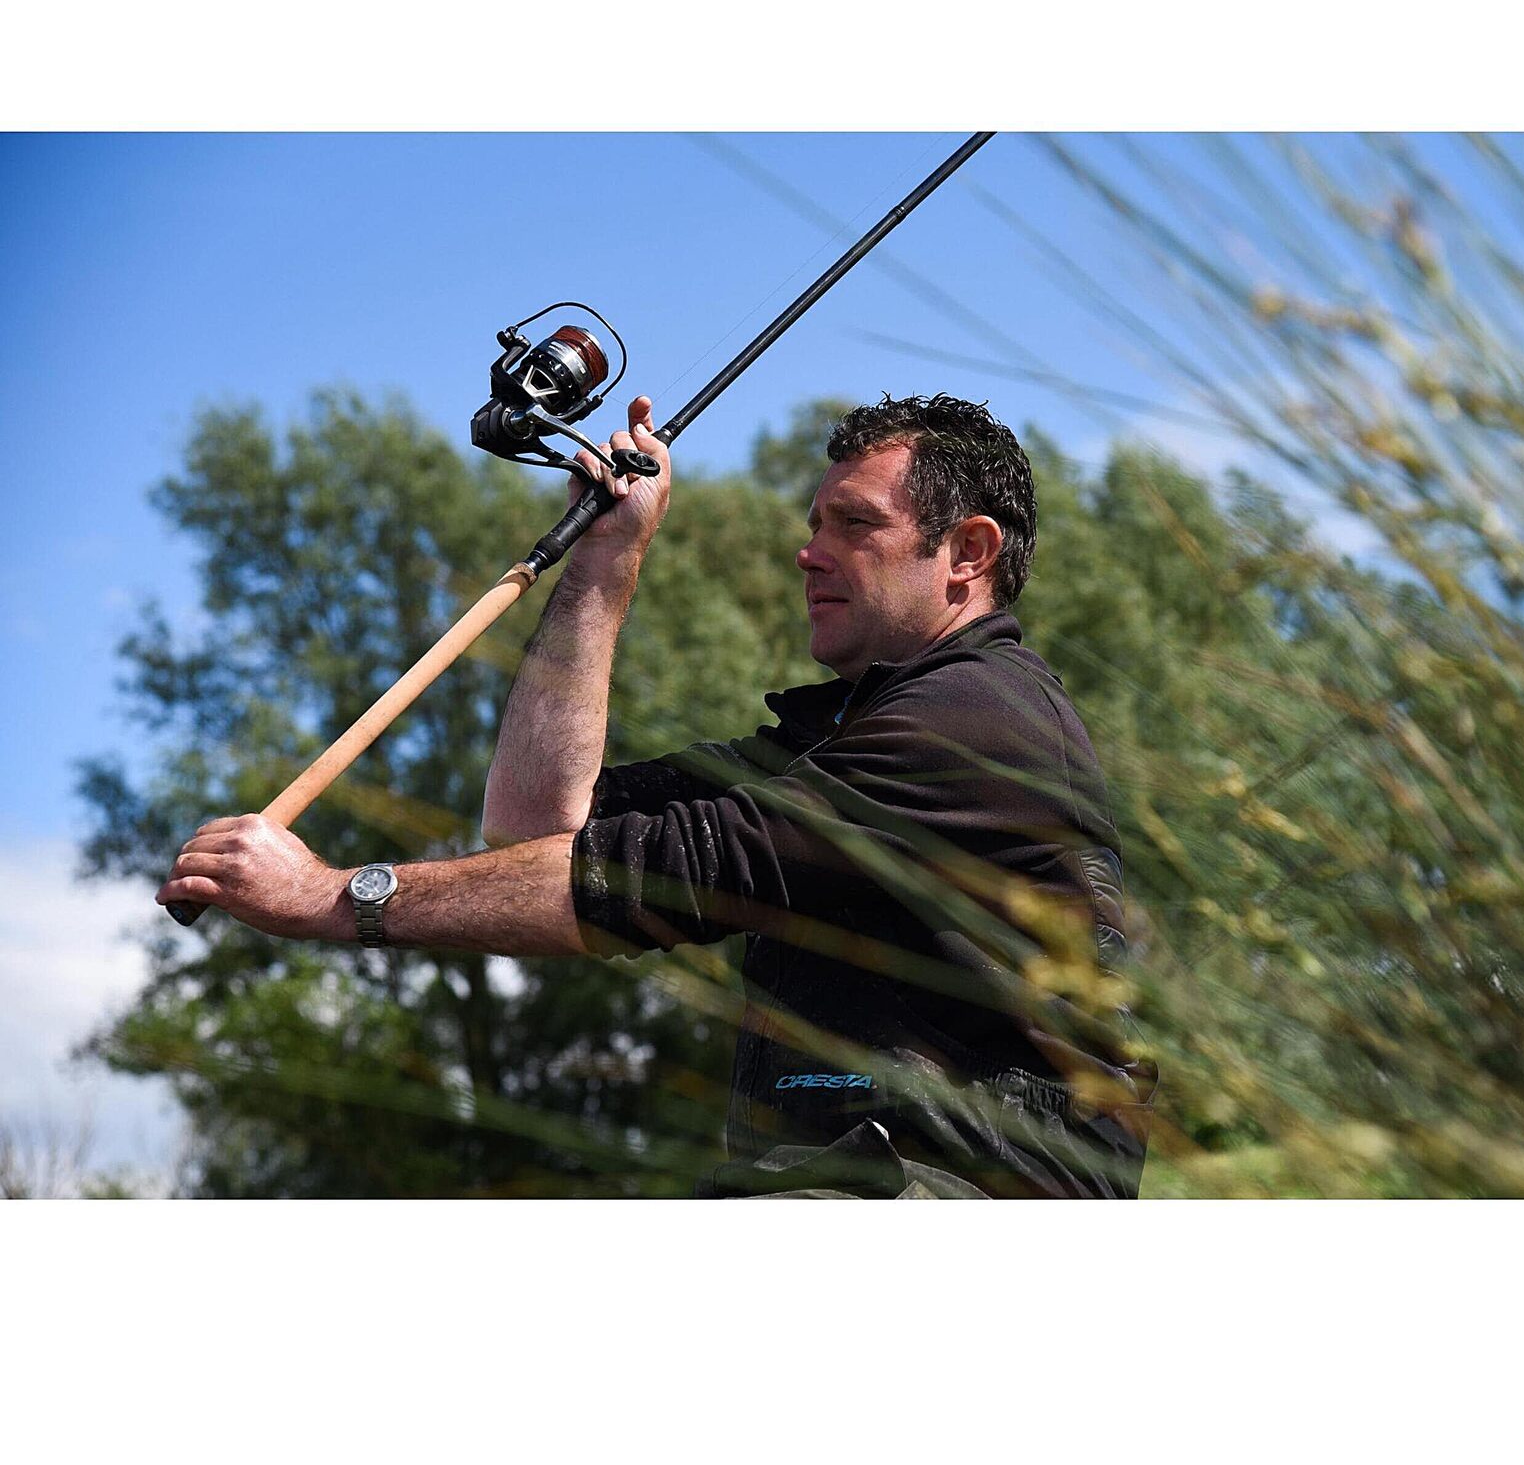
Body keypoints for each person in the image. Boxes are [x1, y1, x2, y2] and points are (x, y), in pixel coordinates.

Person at [158, 392, 1154, 1197]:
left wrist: (334, 898)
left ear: (969, 553)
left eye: (855, 523)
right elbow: (537, 828)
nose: (809, 551)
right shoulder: (836, 742)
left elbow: (648, 881)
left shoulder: (974, 722)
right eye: (814, 524)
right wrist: (605, 560)